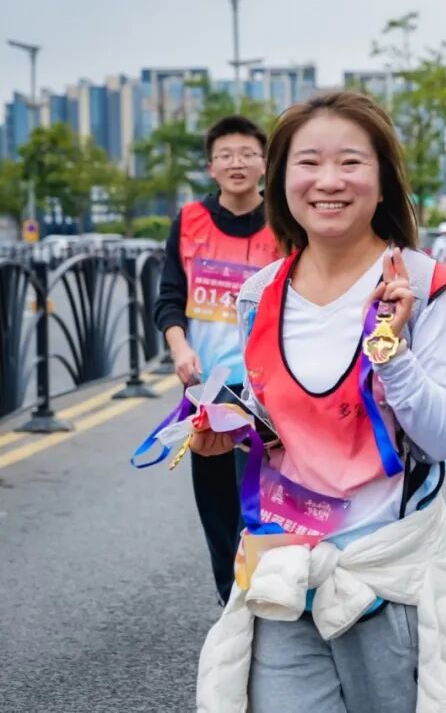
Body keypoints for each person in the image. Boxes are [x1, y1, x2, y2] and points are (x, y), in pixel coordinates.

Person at [191, 91, 446, 712]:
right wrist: (226, 431)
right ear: (279, 180)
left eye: (351, 163)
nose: (328, 181)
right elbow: (282, 432)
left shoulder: (424, 286)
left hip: (387, 576)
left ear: (383, 181)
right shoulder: (259, 294)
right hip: (285, 568)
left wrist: (391, 350)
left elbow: (444, 435)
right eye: (308, 163)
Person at [153, 114, 280, 605]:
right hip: (207, 387)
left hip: (270, 387)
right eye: (226, 155)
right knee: (217, 503)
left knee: (270, 495)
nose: (237, 164)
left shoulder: (285, 221)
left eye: (248, 154)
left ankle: (272, 594)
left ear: (265, 163)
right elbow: (168, 297)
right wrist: (179, 348)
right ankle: (232, 601)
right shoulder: (189, 222)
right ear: (211, 166)